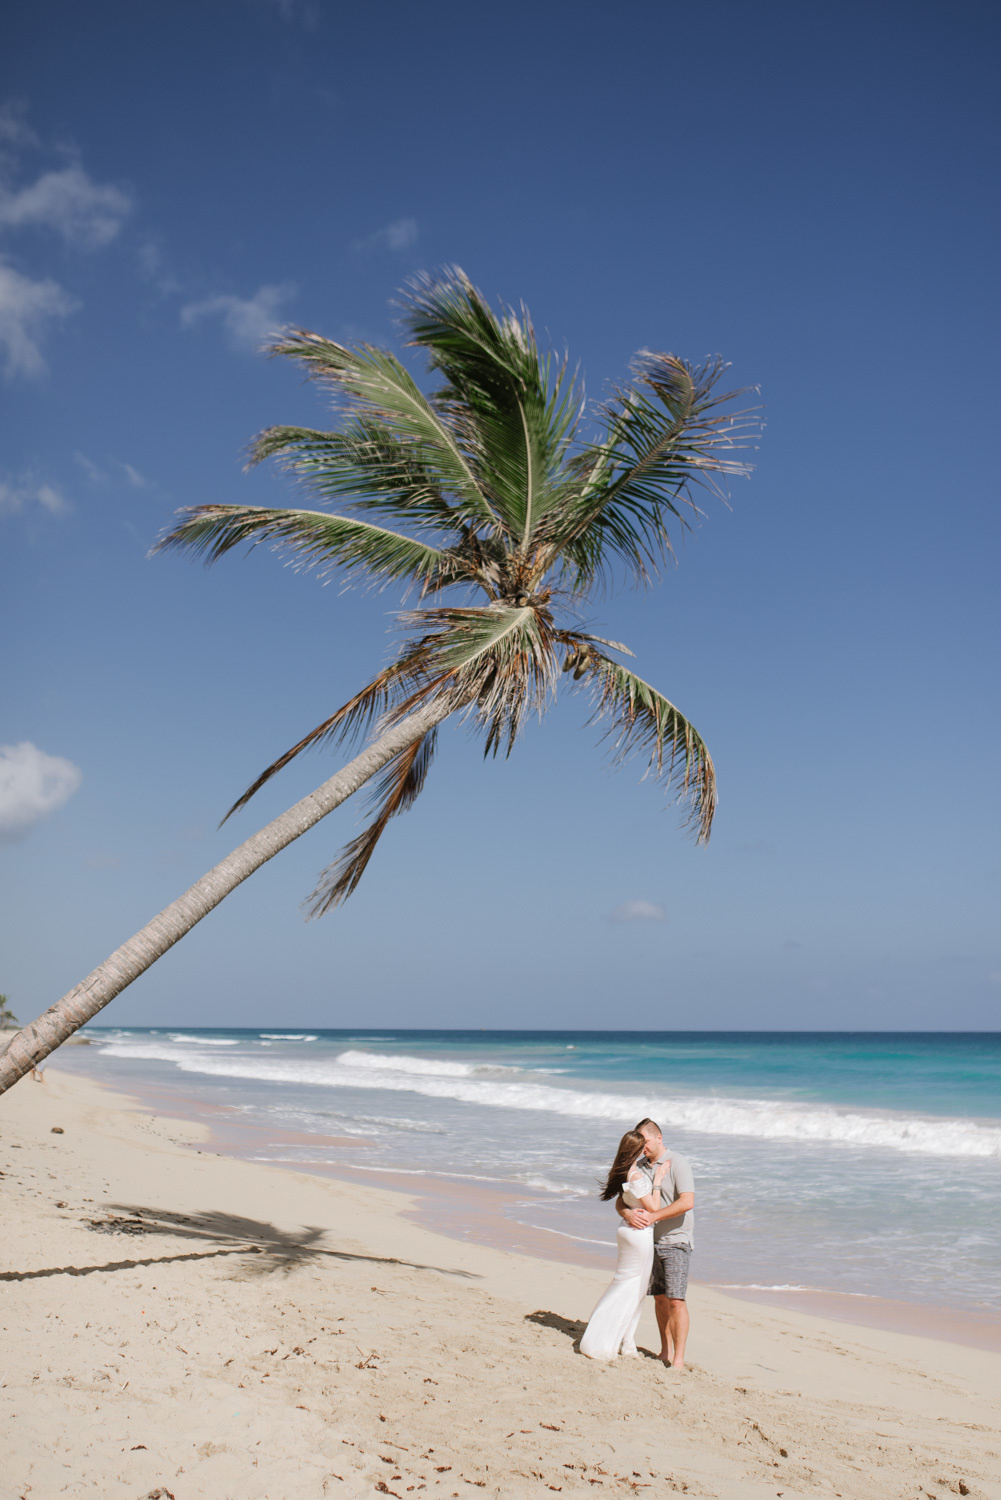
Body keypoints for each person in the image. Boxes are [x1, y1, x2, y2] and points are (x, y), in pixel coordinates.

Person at [579, 1130, 669, 1361]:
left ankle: (626, 1342)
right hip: (639, 1234)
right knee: (632, 1289)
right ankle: (609, 1340)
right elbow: (654, 1208)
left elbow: (622, 1201)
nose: (646, 1150)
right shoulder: (637, 1176)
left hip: (626, 1230)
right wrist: (657, 1181)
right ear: (637, 1150)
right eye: (643, 1146)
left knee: (624, 1283)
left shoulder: (622, 1170)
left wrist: (628, 1212)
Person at [617, 1117, 695, 1370]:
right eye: (639, 1143)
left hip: (676, 1240)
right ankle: (665, 1351)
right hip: (648, 1242)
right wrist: (627, 1213)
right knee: (659, 1298)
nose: (642, 1147)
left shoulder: (678, 1163)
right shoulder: (639, 1167)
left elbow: (687, 1202)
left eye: (646, 1141)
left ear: (659, 1138)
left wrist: (654, 1216)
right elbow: (622, 1199)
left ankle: (679, 1359)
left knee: (676, 1300)